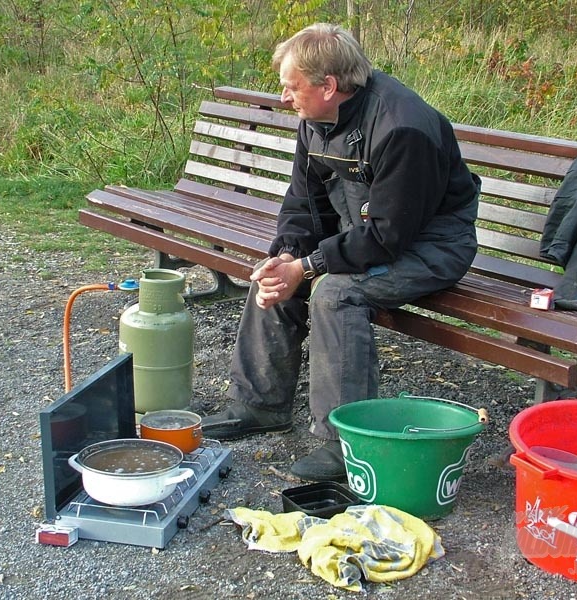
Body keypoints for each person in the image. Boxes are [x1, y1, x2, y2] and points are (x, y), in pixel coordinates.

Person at [201, 23, 481, 481]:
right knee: (272, 273)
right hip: (367, 234)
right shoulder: (314, 120)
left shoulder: (403, 127)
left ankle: (343, 442)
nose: (285, 97)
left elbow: (388, 236)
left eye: (292, 87)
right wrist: (288, 256)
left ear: (328, 85)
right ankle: (257, 403)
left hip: (430, 248)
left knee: (333, 292)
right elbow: (303, 203)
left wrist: (310, 267)